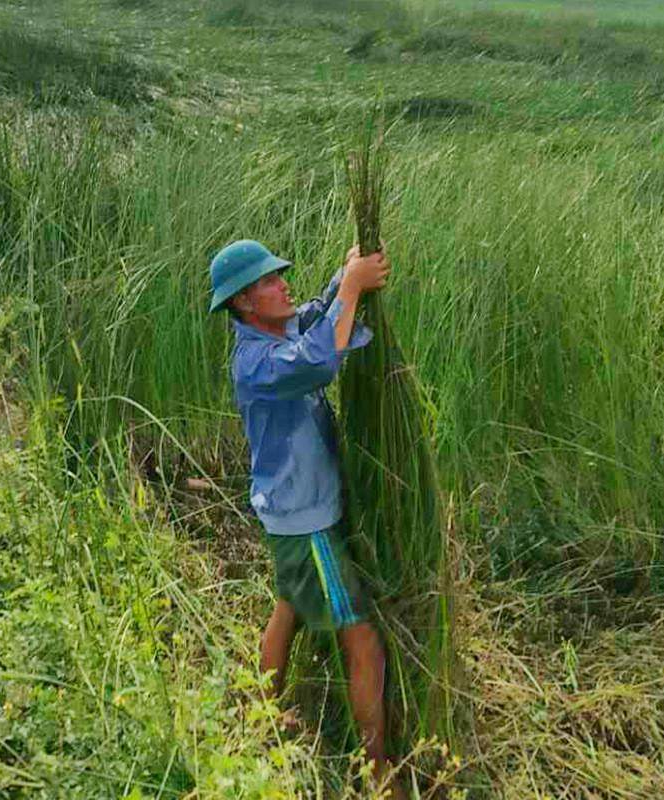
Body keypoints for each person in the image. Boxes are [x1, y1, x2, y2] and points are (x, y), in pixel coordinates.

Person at [209, 239, 403, 793]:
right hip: (306, 520)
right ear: (245, 302)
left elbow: (316, 322)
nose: (283, 284)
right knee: (361, 636)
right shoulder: (257, 363)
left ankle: (260, 714)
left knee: (290, 604)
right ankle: (377, 767)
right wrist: (352, 285)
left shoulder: (277, 330)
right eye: (270, 281)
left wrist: (346, 277)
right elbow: (319, 360)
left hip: (292, 511)